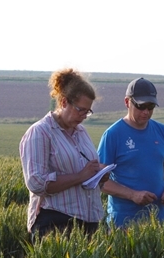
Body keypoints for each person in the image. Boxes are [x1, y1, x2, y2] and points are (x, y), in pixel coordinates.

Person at [19, 68, 107, 240]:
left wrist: (99, 174)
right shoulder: (41, 132)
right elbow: (36, 182)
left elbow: (87, 170)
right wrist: (81, 176)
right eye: (80, 110)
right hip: (55, 223)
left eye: (87, 111)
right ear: (64, 102)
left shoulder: (81, 132)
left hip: (89, 221)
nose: (84, 116)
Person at [97, 77, 164, 228]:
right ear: (127, 102)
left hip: (158, 222)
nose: (146, 112)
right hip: (122, 224)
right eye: (141, 106)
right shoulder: (113, 135)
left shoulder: (162, 132)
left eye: (151, 106)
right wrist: (132, 195)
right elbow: (101, 182)